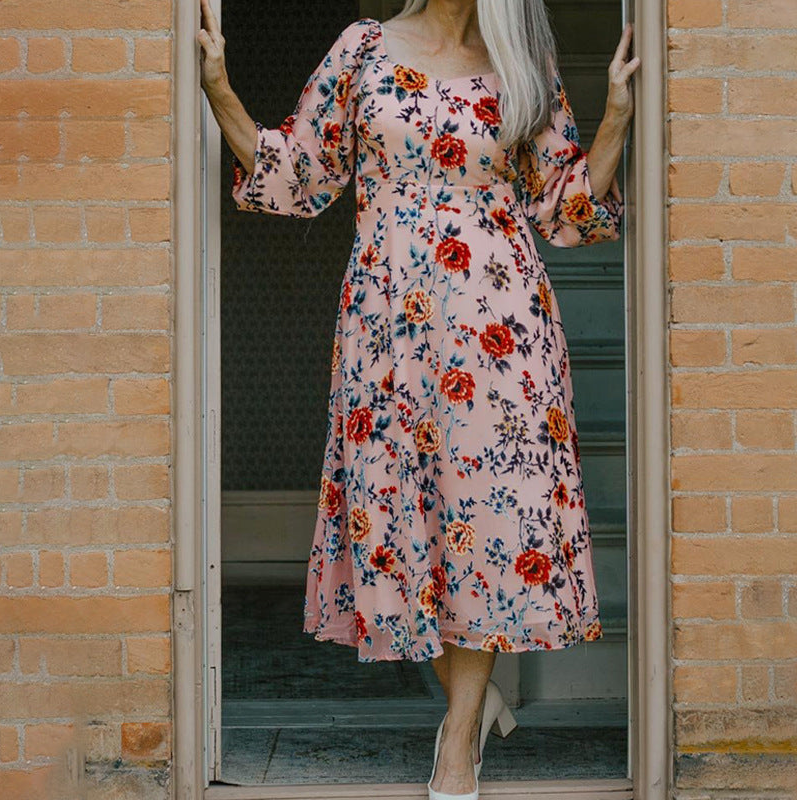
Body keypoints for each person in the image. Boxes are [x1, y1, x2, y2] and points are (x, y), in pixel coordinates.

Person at [199, 1, 638, 797]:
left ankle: (460, 736)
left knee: (485, 529)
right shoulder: (362, 48)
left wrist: (615, 116)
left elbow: (564, 206)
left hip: (499, 331)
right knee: (398, 521)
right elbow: (299, 176)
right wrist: (219, 87)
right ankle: (472, 701)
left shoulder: (520, 62)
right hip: (387, 327)